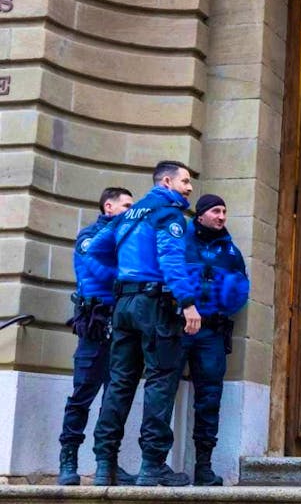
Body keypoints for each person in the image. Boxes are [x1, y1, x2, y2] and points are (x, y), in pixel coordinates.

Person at [85, 160, 203, 486]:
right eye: (184, 182)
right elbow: (170, 258)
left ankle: (104, 466)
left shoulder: (127, 215)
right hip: (153, 306)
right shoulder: (168, 214)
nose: (189, 188)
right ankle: (152, 466)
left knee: (120, 383)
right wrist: (188, 302)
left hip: (123, 304)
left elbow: (94, 249)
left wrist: (123, 277)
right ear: (166, 182)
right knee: (160, 381)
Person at [58, 187, 137, 486]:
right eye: (126, 205)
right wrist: (132, 274)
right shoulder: (89, 237)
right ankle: (69, 460)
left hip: (122, 323)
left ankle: (108, 463)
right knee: (82, 395)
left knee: (114, 398)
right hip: (95, 323)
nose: (131, 211)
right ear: (109, 207)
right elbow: (101, 271)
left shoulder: (126, 238)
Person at [178, 194, 249, 485]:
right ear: (200, 215)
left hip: (212, 333)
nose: (221, 217)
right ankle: (153, 464)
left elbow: (241, 289)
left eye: (224, 211)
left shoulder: (231, 252)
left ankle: (203, 466)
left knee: (209, 399)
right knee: (163, 390)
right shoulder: (181, 240)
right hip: (179, 328)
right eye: (215, 211)